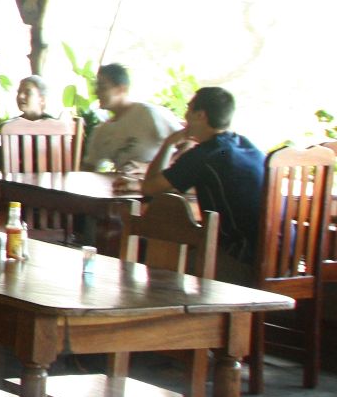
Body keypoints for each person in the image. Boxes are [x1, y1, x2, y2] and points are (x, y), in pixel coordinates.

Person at [143, 86, 267, 282]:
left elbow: (149, 188)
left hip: (244, 259)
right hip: (281, 256)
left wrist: (169, 143)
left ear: (200, 115)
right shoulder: (245, 144)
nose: (185, 116)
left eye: (188, 109)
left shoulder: (204, 156)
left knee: (165, 263)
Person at [80, 62, 179, 174]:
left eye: (102, 87)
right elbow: (89, 168)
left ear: (121, 89)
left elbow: (189, 142)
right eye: (96, 87)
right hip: (124, 183)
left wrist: (148, 167)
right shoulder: (101, 131)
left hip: (157, 183)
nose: (96, 92)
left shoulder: (148, 113)